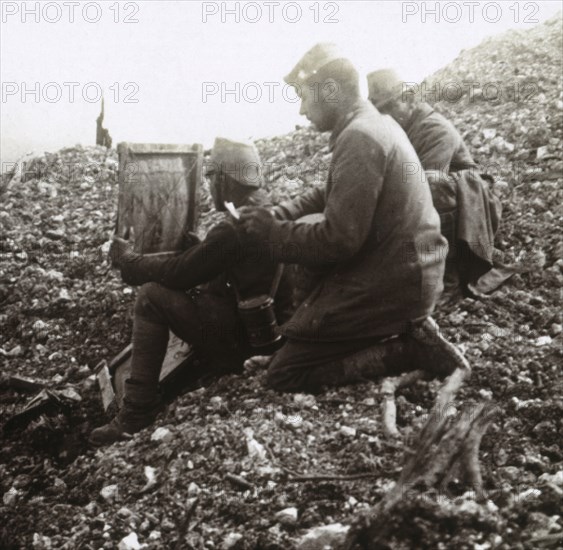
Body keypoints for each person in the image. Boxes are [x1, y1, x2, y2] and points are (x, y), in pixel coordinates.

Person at [239, 43, 469, 394]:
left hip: (398, 284)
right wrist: (276, 216)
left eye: (304, 97)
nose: (301, 110)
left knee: (284, 375)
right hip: (404, 271)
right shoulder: (368, 126)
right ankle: (329, 343)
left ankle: (408, 351)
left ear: (330, 90)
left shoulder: (361, 137)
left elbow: (339, 240)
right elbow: (325, 195)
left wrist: (273, 235)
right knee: (306, 308)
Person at [89, 138, 292, 446]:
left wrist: (128, 262)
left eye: (211, 178)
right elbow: (237, 264)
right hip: (269, 335)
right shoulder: (269, 211)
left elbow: (178, 275)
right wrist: (201, 250)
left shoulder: (233, 228)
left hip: (245, 347)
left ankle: (135, 414)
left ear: (225, 180)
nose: (209, 187)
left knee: (151, 296)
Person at [367, 69, 503, 296]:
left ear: (409, 99)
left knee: (432, 187)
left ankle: (447, 277)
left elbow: (424, 183)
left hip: (468, 205)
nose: (386, 116)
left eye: (390, 107)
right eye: (382, 111)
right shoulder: (400, 130)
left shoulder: (435, 129)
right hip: (427, 200)